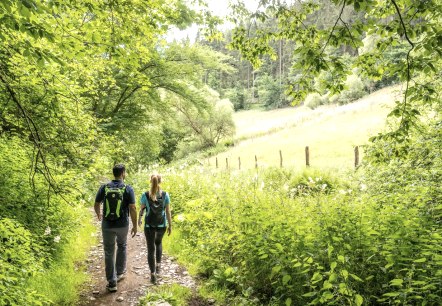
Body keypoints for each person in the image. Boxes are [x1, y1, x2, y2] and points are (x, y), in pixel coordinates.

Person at [94, 164, 137, 292]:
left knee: (108, 251)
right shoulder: (128, 188)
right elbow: (133, 208)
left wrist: (99, 215)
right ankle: (119, 273)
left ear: (114, 174)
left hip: (107, 225)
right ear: (123, 173)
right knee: (122, 245)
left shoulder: (104, 187)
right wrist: (135, 225)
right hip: (122, 224)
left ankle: (112, 282)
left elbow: (96, 204)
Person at [138, 174, 172, 284]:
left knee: (150, 248)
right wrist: (170, 225)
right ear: (160, 182)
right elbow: (167, 211)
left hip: (149, 225)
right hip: (161, 224)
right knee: (158, 243)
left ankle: (152, 274)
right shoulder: (165, 195)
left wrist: (139, 219)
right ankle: (158, 266)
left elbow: (142, 209)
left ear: (150, 181)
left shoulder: (145, 195)